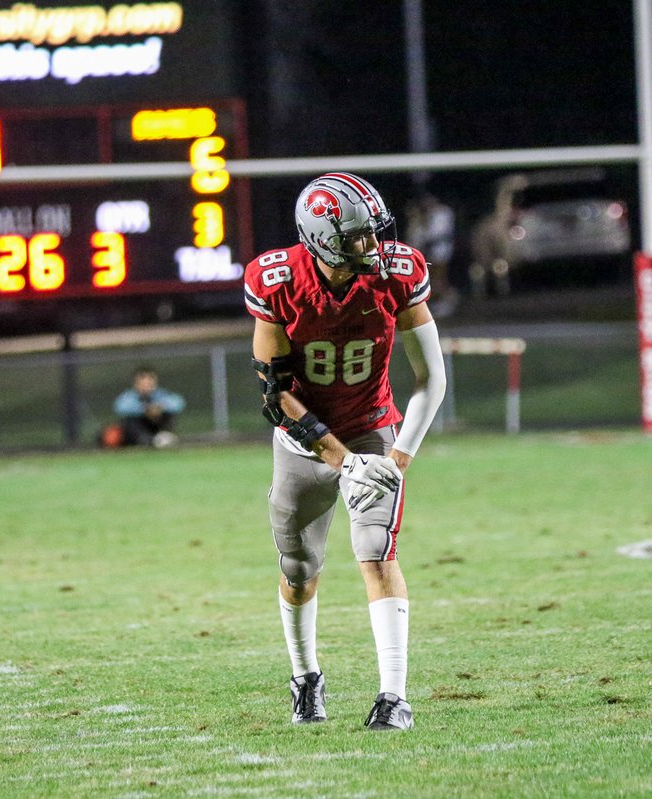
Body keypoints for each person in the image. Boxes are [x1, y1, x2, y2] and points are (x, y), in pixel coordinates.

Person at [243, 172, 447, 731]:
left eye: (374, 233)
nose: (374, 246)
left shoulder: (398, 274)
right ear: (323, 240)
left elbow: (432, 378)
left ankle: (393, 697)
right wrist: (340, 459)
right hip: (304, 439)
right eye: (360, 238)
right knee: (299, 567)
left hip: (372, 427)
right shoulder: (278, 280)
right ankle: (306, 677)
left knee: (377, 552)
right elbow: (275, 395)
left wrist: (395, 459)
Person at [102, 366, 186, 448]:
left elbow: (178, 403)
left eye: (149, 382)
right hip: (138, 429)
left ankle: (164, 438)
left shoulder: (161, 395)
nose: (146, 386)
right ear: (135, 383)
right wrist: (144, 410)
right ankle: (145, 441)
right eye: (142, 383)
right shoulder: (129, 396)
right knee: (130, 420)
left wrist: (160, 408)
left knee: (168, 415)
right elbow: (120, 407)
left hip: (157, 426)